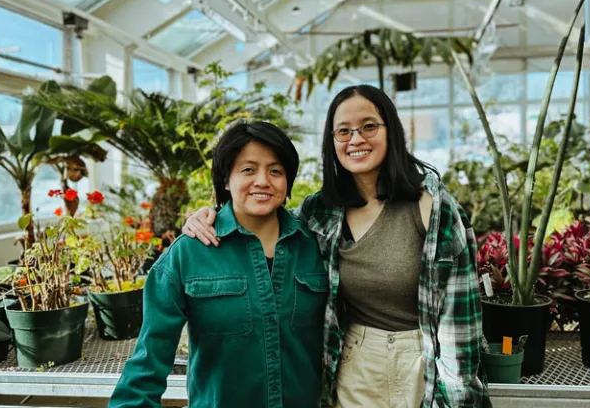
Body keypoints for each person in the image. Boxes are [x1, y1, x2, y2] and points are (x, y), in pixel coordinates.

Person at [182, 85, 491, 408]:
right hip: (355, 365)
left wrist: (459, 397)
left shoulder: (433, 209)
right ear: (331, 141)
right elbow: (263, 218)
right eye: (343, 131)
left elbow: (460, 323)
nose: (356, 139)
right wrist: (210, 215)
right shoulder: (321, 212)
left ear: (392, 132)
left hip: (424, 365)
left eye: (369, 126)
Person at [109, 121, 327, 408]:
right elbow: (149, 360)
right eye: (248, 170)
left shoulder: (315, 246)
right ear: (225, 179)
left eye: (275, 170)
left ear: (287, 181)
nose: (263, 181)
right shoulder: (188, 254)